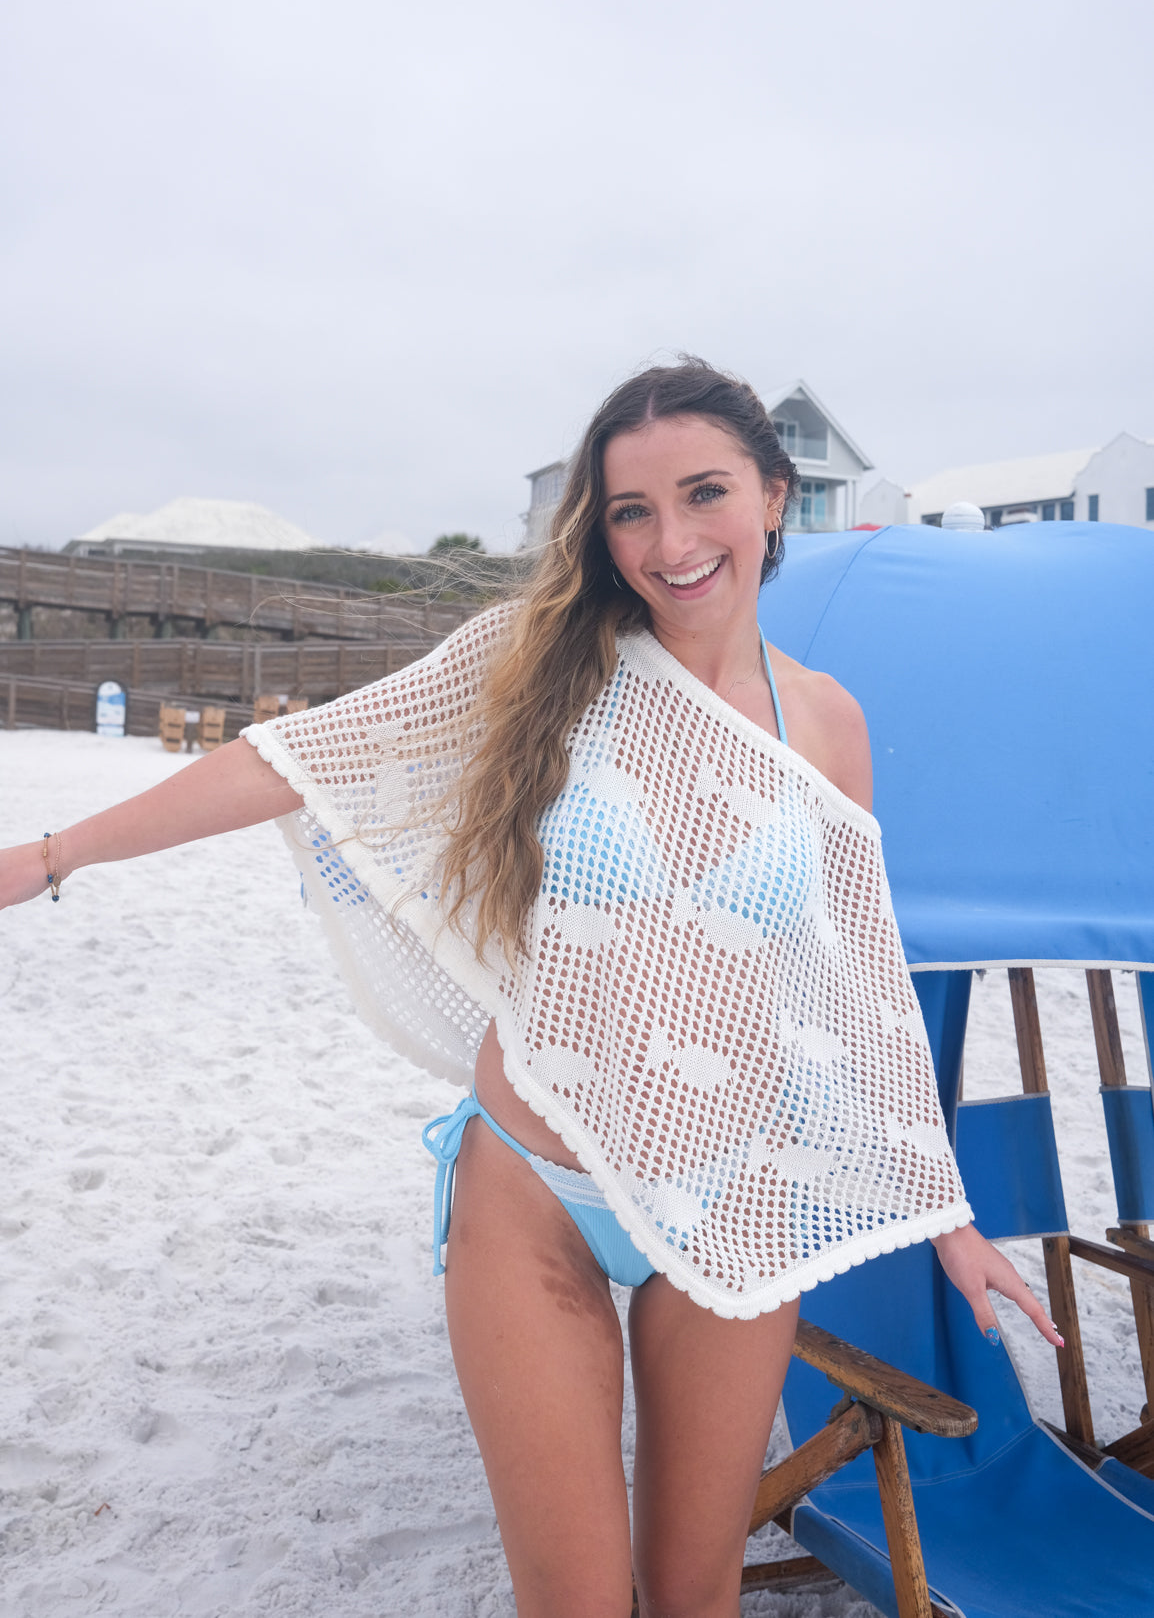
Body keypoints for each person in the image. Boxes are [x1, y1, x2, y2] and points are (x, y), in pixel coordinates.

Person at [0, 359, 1060, 1618]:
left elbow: (851, 980)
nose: (668, 542)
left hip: (728, 1205)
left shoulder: (826, 721)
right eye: (628, 511)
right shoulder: (543, 661)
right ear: (598, 530)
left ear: (775, 498)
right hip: (537, 1183)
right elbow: (292, 759)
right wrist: (54, 854)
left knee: (693, 1598)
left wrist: (939, 1208)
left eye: (703, 493)